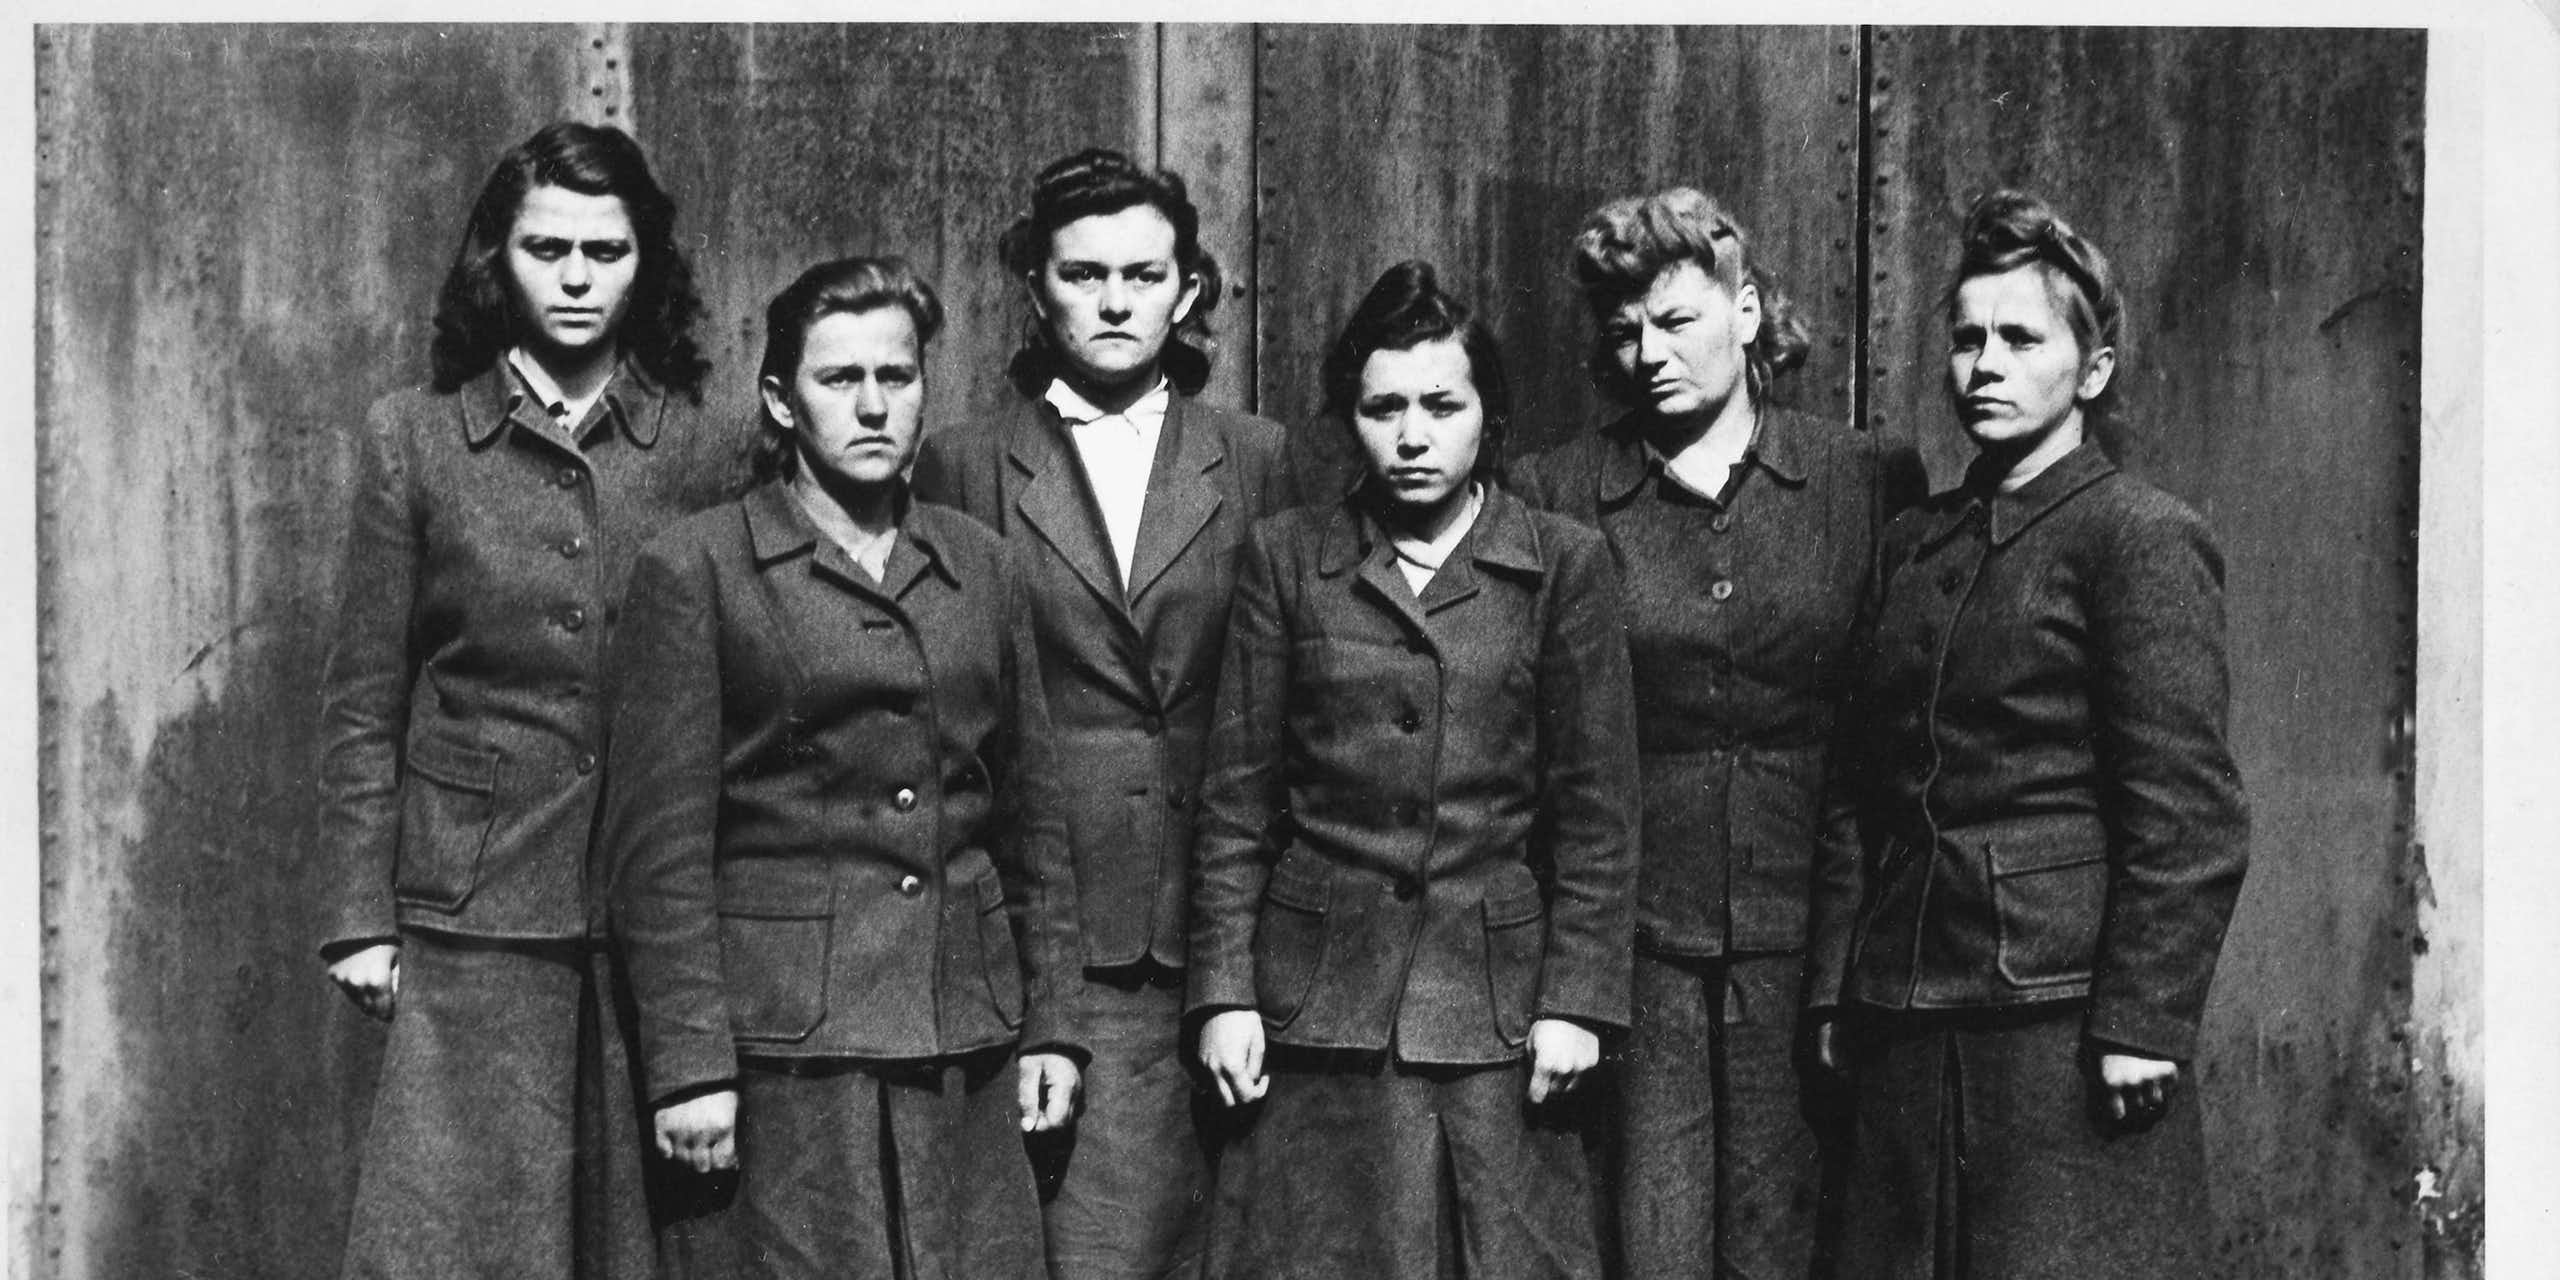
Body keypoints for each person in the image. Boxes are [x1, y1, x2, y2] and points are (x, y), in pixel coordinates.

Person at [314, 121, 749, 1280]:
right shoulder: (415, 438)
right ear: (495, 262)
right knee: (464, 1240)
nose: (572, 277)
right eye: (544, 248)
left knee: (636, 1242)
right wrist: (362, 912)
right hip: (472, 906)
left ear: (643, 264)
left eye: (603, 252)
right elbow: (366, 693)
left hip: (645, 910)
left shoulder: (707, 448)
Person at [601, 257, 1085, 1280]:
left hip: (966, 1033)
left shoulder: (981, 563)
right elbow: (661, 851)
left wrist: (1055, 1025)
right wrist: (688, 1063)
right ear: (780, 399)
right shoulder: (698, 567)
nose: (872, 404)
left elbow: (1031, 819)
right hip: (791, 1046)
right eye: (837, 379)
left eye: (897, 377)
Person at [1808, 190, 2251, 1278]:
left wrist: (2143, 1018)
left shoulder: (2135, 535)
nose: (1983, 365)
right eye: (1965, 339)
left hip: (2054, 1024)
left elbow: (2186, 810)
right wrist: (1832, 983)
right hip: (1904, 1010)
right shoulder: (1915, 539)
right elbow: (1855, 787)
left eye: (2019, 337)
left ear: (2090, 371)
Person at [1190, 260, 1639, 1280]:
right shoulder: (1285, 555)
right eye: (1381, 406)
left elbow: (1597, 812)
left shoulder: (1562, 563)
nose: (1411, 433)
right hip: (1320, 1007)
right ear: (1348, 420)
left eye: (1441, 404)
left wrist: (1577, 1000)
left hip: (1495, 1011)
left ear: (1488, 415)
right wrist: (1223, 994)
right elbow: (1233, 802)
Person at [1509, 187, 1925, 1279]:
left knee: (1803, 1244)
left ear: (1747, 313)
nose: (1649, 352)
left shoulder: (1863, 478)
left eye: (1678, 321)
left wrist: (1849, 960)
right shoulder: (1553, 493)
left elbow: (1890, 733)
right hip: (1636, 944)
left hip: (1816, 941)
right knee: (1650, 1242)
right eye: (1624, 330)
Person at [911, 146, 1297, 1280]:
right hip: (1070, 926)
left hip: (1239, 919)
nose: (1115, 299)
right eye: (1083, 275)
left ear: (1187, 291)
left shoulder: (1257, 454)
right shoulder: (966, 461)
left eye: (1142, 273)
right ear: (1036, 289)